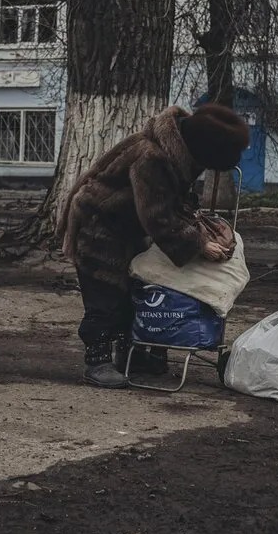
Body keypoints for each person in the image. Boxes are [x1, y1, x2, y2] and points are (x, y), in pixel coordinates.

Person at [61, 103, 250, 389]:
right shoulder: (152, 158)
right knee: (105, 294)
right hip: (99, 227)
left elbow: (172, 203)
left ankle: (131, 356)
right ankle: (97, 360)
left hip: (127, 227)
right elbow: (157, 215)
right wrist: (199, 243)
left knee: (134, 292)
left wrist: (199, 227)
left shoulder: (177, 151)